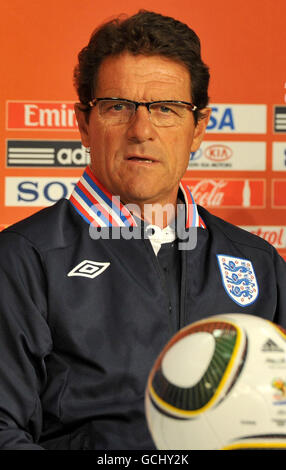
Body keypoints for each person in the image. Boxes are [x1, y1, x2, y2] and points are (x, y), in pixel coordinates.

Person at [0, 10, 285, 451]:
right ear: (83, 124)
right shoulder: (23, 258)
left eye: (167, 110)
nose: (142, 131)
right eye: (118, 107)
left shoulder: (258, 262)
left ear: (199, 129)